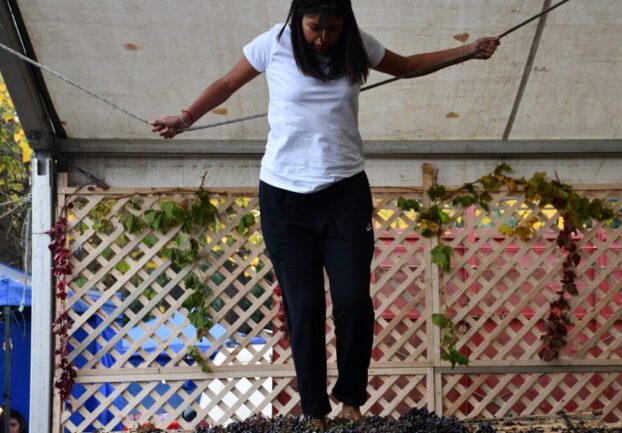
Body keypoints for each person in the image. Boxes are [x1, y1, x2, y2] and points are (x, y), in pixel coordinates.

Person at [151, 0, 499, 426]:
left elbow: (407, 66)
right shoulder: (273, 43)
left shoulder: (356, 44)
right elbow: (226, 83)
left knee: (353, 302)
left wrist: (467, 51)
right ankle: (314, 410)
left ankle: (351, 401)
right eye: (314, 27)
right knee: (305, 307)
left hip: (344, 193)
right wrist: (186, 117)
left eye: (332, 29)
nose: (322, 37)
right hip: (284, 198)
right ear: (298, 17)